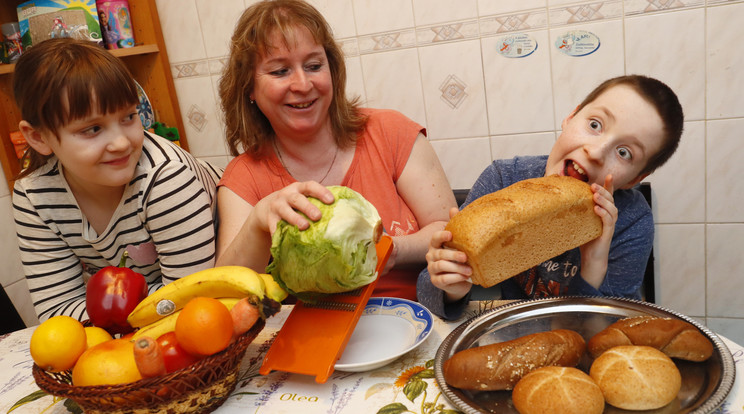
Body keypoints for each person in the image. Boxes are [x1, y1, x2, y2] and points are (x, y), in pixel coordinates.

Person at [216, 0, 456, 301]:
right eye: (280, 71)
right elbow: (225, 293)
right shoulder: (244, 177)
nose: (303, 84)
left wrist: (389, 249)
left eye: (314, 66)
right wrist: (257, 221)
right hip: (312, 338)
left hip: (415, 318)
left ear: (333, 70)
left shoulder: (391, 132)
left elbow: (448, 229)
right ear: (249, 87)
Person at [418, 75, 684, 319]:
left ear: (635, 179)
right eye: (595, 124)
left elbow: (607, 329)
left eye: (624, 152)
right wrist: (452, 287)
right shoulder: (504, 179)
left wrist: (593, 263)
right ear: (571, 117)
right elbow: (429, 297)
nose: (595, 152)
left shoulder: (631, 221)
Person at [12, 38, 222, 322]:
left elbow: (189, 299)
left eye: (129, 117)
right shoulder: (34, 195)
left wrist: (109, 310)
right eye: (93, 128)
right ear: (38, 137)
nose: (122, 143)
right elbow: (56, 312)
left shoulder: (166, 178)